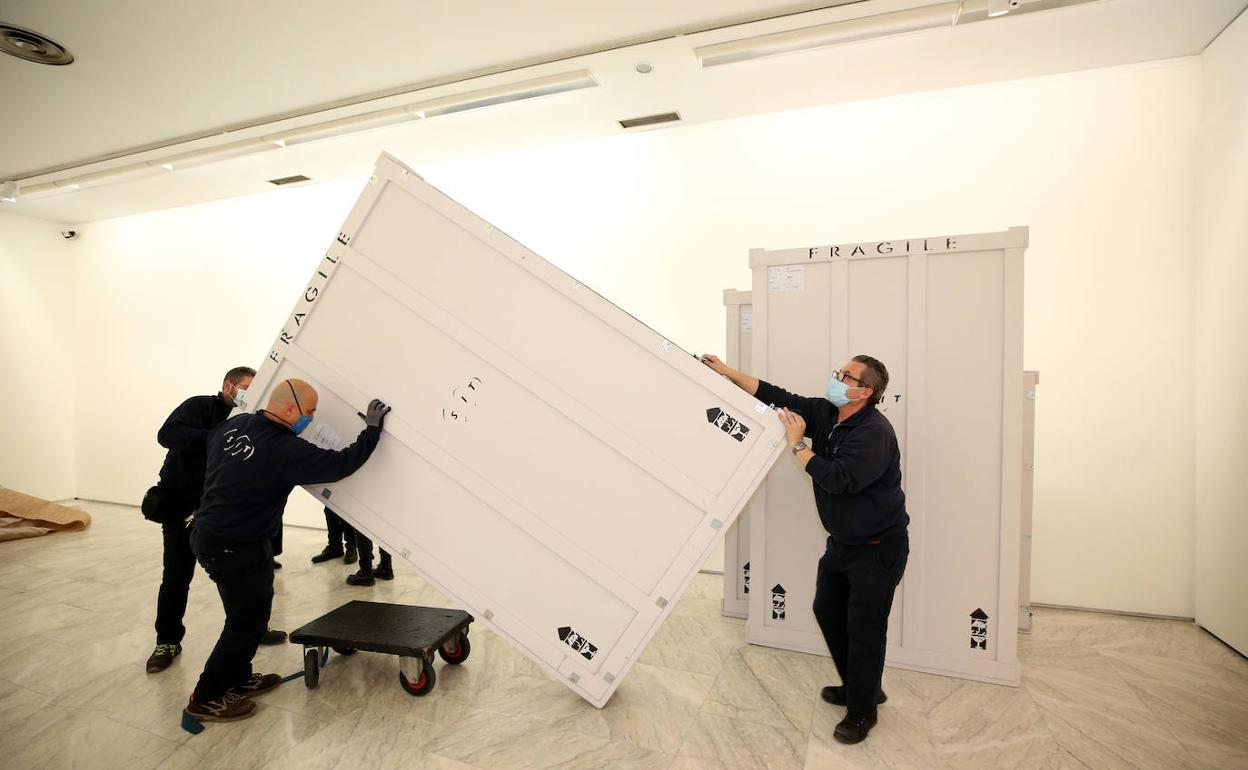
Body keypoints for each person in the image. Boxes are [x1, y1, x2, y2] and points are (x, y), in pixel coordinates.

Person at [701, 353, 909, 745]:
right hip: (844, 543)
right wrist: (728, 373)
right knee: (827, 609)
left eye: (845, 376)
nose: (835, 378)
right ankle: (859, 685)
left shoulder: (874, 432)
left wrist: (798, 446)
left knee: (865, 629)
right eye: (838, 371)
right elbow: (776, 396)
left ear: (864, 391)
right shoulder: (828, 413)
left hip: (878, 547)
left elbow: (840, 480)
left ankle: (863, 710)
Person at [184, 379, 391, 722]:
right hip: (233, 545)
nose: (310, 419)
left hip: (216, 536)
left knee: (252, 614)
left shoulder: (232, 426)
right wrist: (371, 431)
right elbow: (341, 464)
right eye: (309, 412)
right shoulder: (284, 449)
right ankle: (206, 697)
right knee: (244, 624)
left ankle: (237, 678)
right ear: (290, 408)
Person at [144, 366, 286, 674]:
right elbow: (166, 434)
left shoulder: (251, 420)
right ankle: (167, 640)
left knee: (249, 577)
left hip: (226, 513)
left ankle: (253, 630)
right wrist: (217, 437)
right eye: (245, 387)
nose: (249, 393)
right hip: (183, 507)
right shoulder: (200, 406)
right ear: (228, 386)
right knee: (177, 576)